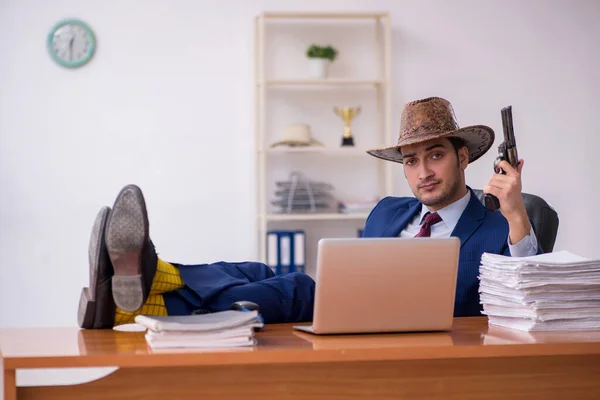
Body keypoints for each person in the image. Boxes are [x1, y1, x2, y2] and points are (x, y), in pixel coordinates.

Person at [78, 96, 541, 329]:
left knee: (297, 285)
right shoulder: (387, 211)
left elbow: (532, 296)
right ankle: (151, 280)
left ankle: (142, 300)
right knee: (258, 270)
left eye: (435, 155)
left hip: (415, 339)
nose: (422, 171)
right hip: (355, 317)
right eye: (411, 160)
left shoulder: (498, 221)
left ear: (464, 158)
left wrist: (516, 211)